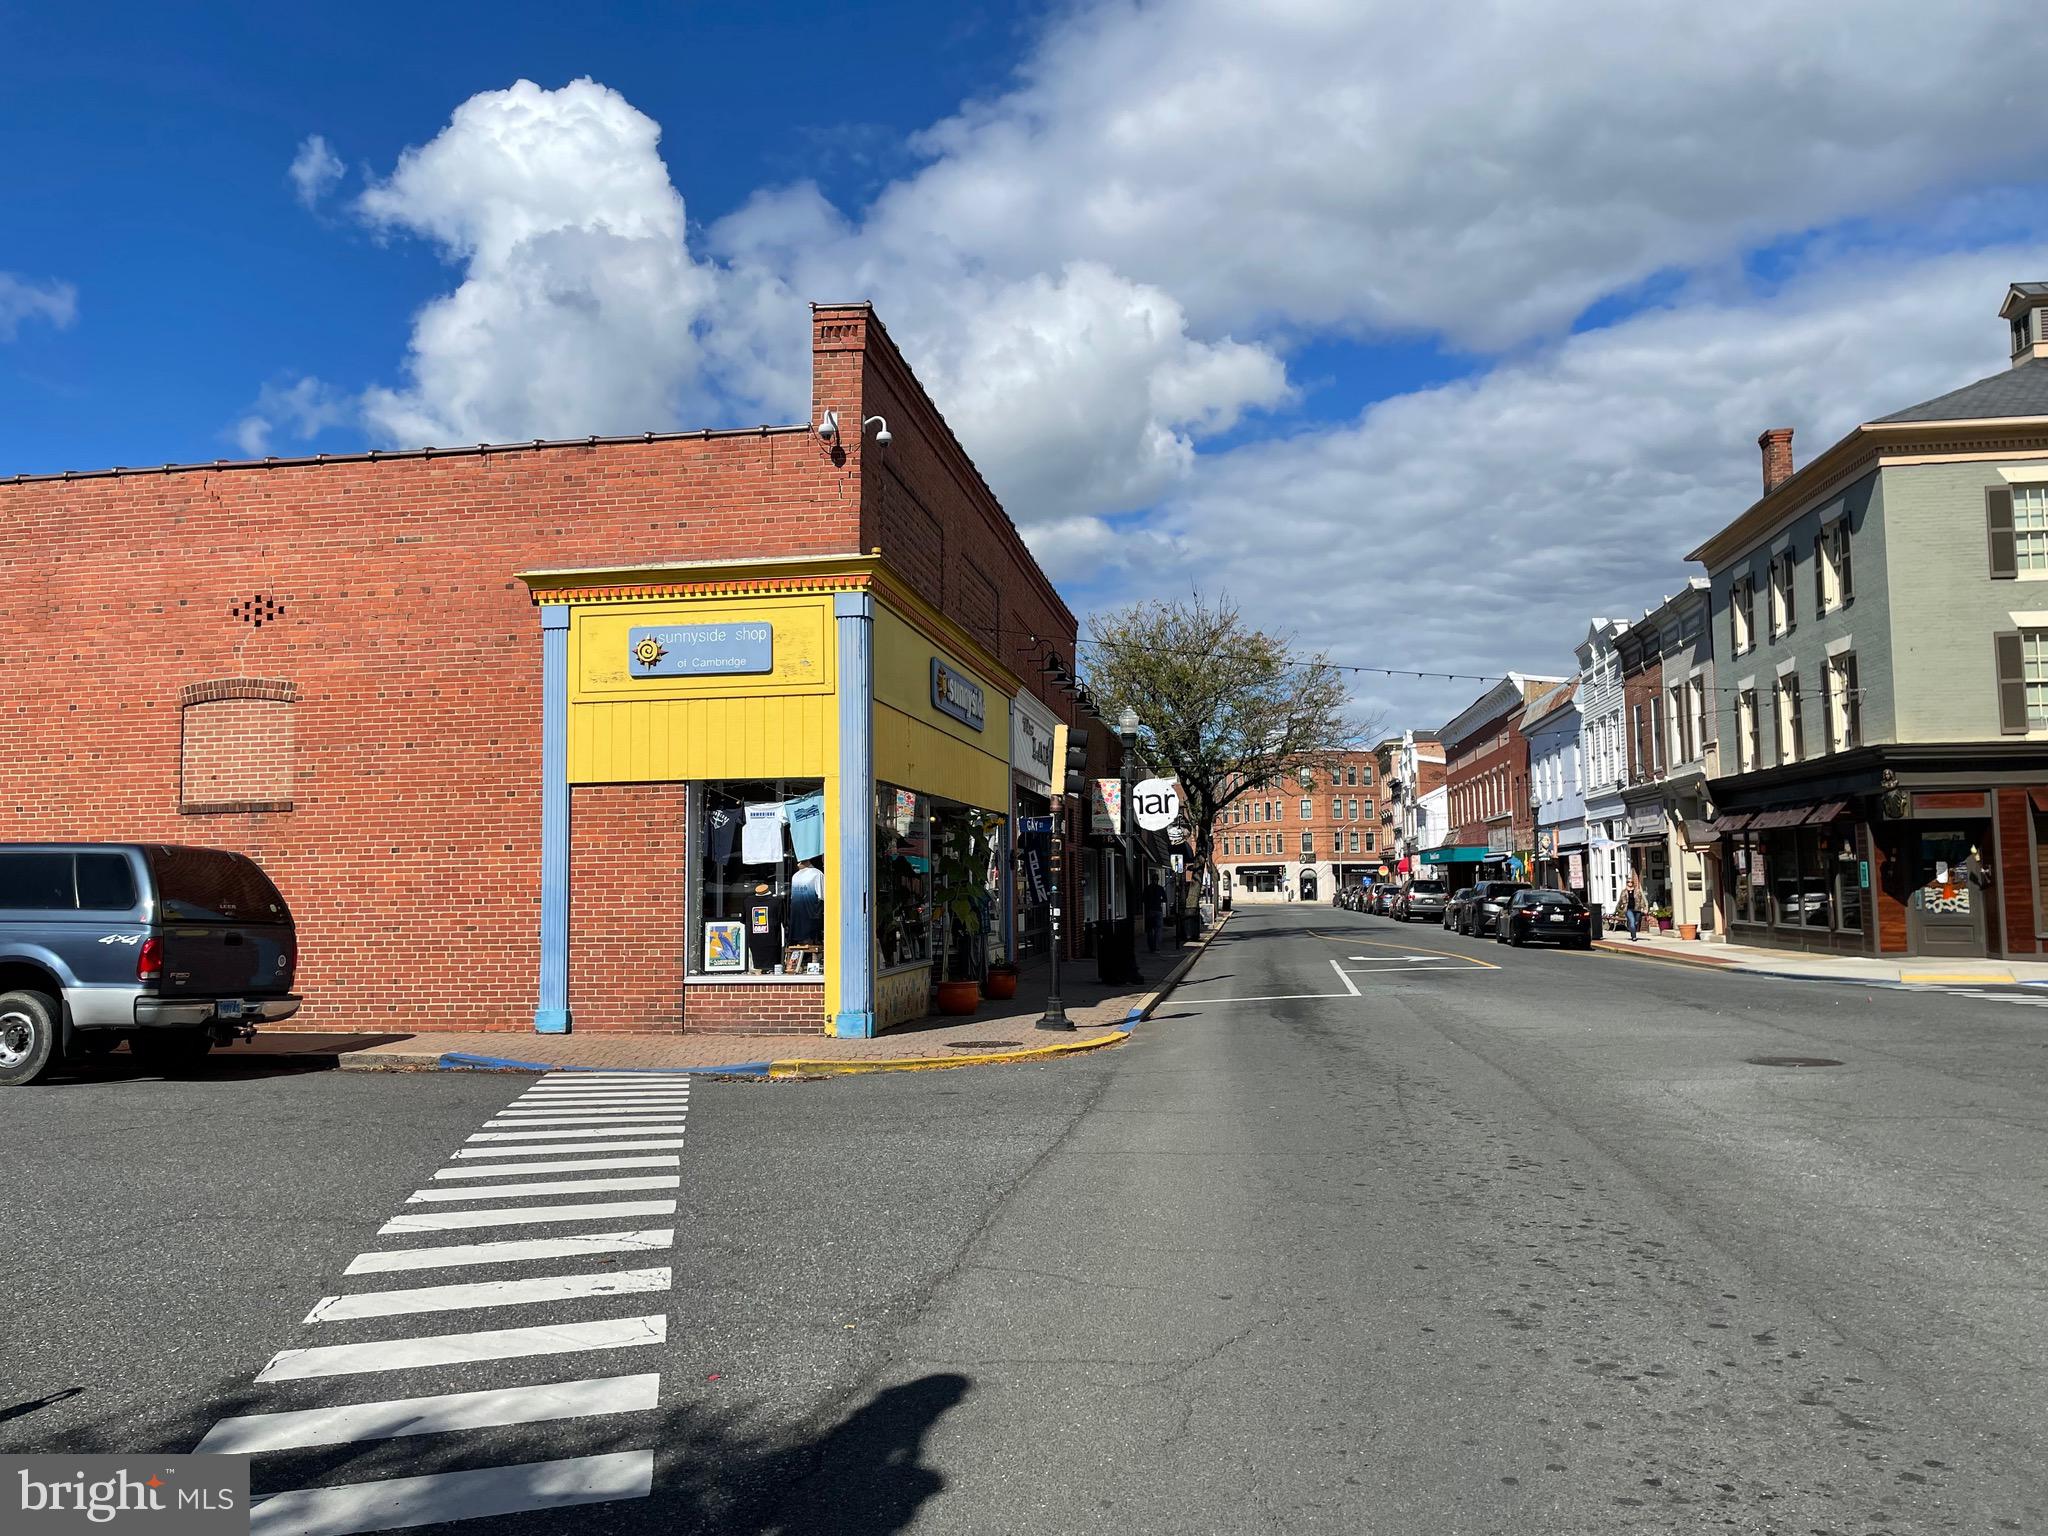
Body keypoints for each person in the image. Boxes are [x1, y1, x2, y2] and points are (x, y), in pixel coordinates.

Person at [1142, 875, 1167, 952]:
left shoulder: (1147, 888)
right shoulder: (1160, 888)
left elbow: (1143, 899)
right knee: (1158, 930)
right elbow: (1165, 899)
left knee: (1150, 930)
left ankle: (1151, 947)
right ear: (1158, 880)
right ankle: (1157, 947)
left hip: (1149, 911)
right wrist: (1159, 900)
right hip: (1158, 910)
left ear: (1151, 880)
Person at [1623, 875, 1644, 942]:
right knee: (1632, 922)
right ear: (1627, 883)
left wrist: (1643, 907)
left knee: (1635, 923)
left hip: (1637, 909)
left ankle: (1632, 931)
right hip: (1629, 909)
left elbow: (1641, 899)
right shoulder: (1624, 892)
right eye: (1628, 882)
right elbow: (1621, 901)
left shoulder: (1637, 891)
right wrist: (1620, 908)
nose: (1630, 883)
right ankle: (1634, 937)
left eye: (1631, 882)